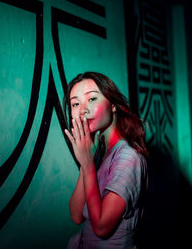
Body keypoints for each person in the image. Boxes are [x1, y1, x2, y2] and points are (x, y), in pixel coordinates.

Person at [63, 72, 148, 249]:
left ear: (113, 105)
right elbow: (76, 214)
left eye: (92, 99)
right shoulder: (102, 153)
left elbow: (102, 227)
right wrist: (87, 161)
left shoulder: (128, 156)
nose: (83, 109)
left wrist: (87, 166)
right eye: (75, 103)